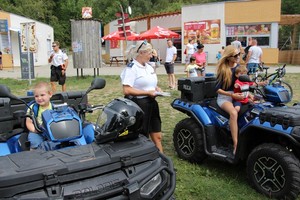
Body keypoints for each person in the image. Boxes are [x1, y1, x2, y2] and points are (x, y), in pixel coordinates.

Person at [120, 41, 164, 152]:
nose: (151, 56)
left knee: (157, 135)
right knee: (141, 137)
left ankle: (163, 160)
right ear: (141, 53)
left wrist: (156, 88)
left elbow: (147, 83)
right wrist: (147, 93)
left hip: (151, 103)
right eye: (149, 53)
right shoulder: (132, 68)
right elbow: (127, 89)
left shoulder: (148, 67)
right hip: (139, 105)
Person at [215, 45, 244, 154]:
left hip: (237, 95)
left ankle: (232, 126)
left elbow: (245, 83)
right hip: (225, 97)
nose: (238, 56)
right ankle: (236, 144)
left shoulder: (239, 67)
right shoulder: (223, 70)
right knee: (233, 113)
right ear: (228, 57)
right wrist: (232, 95)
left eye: (239, 54)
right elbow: (217, 89)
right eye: (235, 55)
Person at [26, 82, 53, 149]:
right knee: (34, 141)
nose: (39, 98)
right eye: (36, 96)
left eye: (42, 95)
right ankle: (35, 153)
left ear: (50, 94)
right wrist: (34, 130)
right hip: (37, 132)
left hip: (51, 131)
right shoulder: (32, 107)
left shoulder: (54, 107)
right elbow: (28, 121)